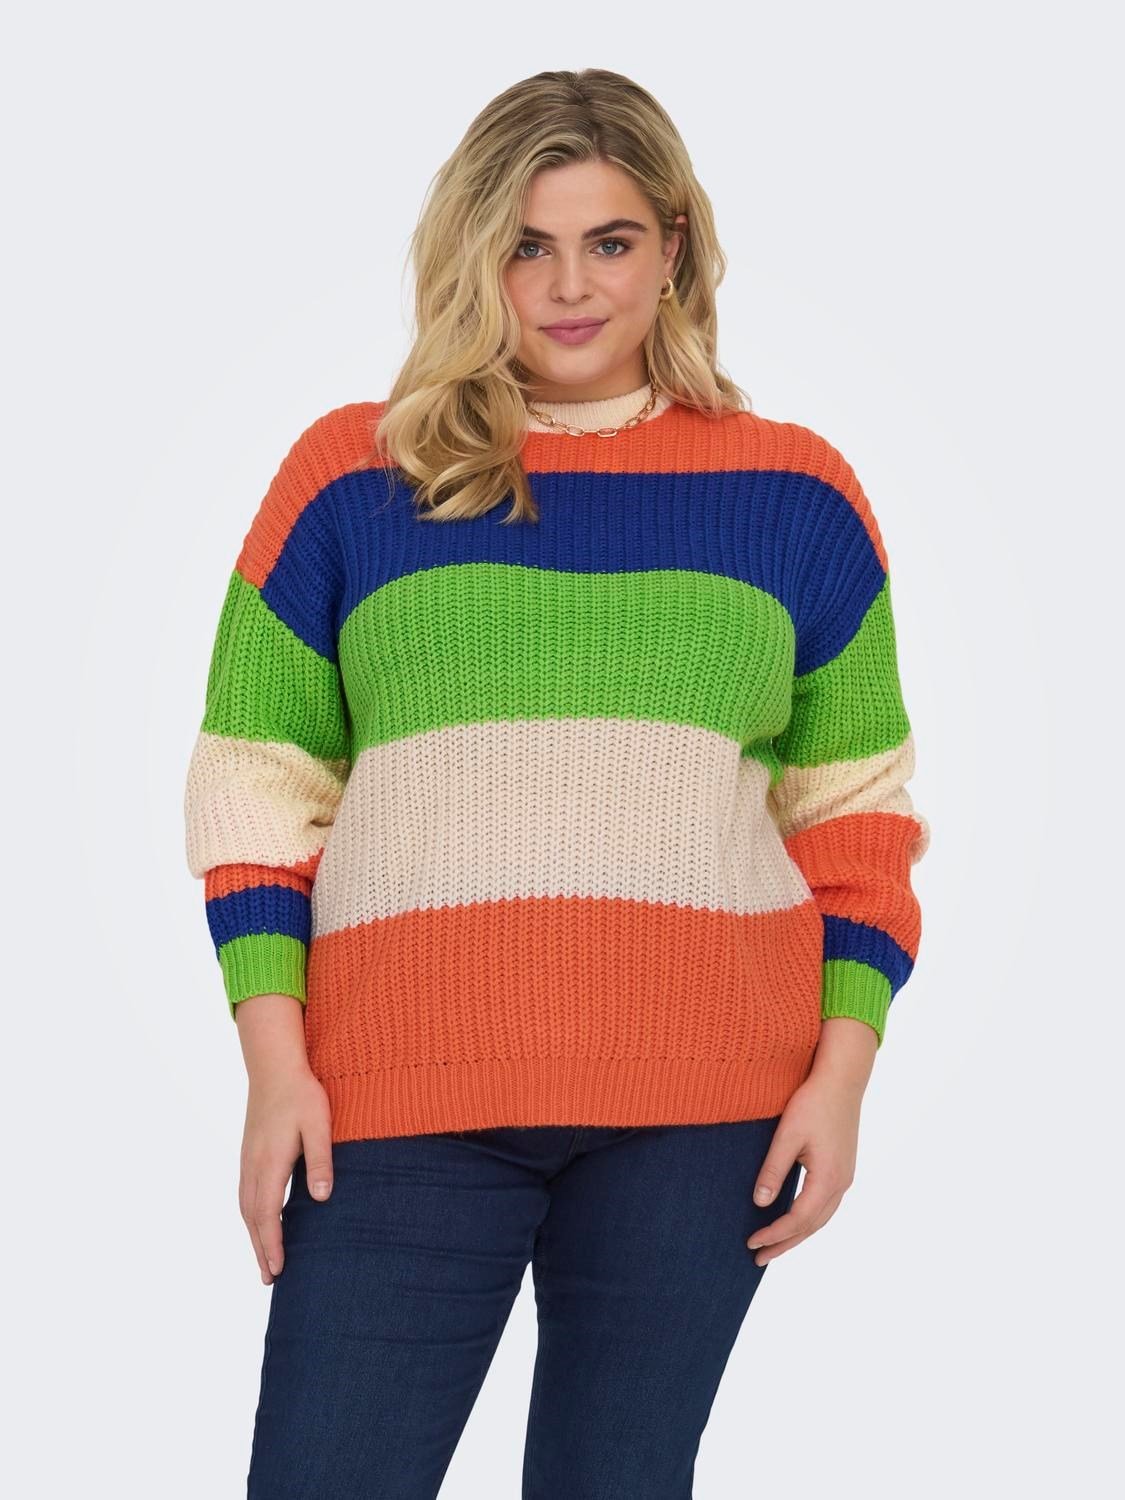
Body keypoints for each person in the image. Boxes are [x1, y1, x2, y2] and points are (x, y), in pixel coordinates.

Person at [183, 67, 930, 1500]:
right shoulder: (354, 476)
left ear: (674, 248)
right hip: (394, 1096)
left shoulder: (795, 493)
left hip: (705, 1106)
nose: (569, 287)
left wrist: (842, 1079)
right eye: (526, 245)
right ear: (472, 255)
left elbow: (857, 821)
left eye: (610, 241)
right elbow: (255, 789)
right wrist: (275, 1066)